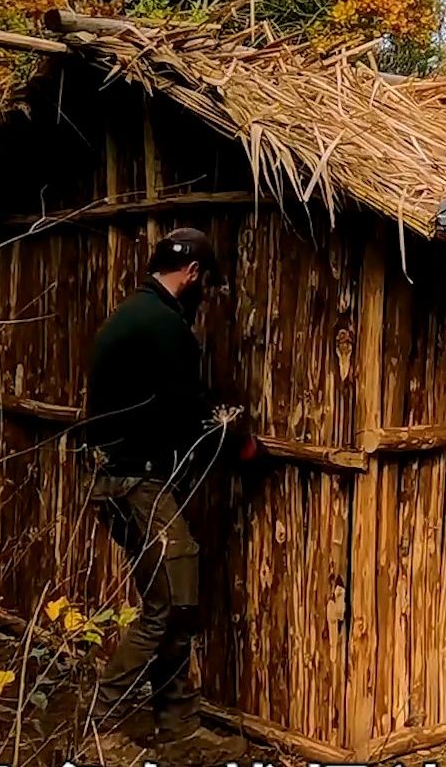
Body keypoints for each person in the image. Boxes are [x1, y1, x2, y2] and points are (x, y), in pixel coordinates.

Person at [81, 227, 259, 764]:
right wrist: (239, 441)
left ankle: (176, 722)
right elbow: (190, 407)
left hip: (118, 480)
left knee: (172, 600)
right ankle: (100, 730)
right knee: (171, 604)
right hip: (139, 483)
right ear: (195, 275)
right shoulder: (164, 326)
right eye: (207, 284)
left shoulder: (135, 313)